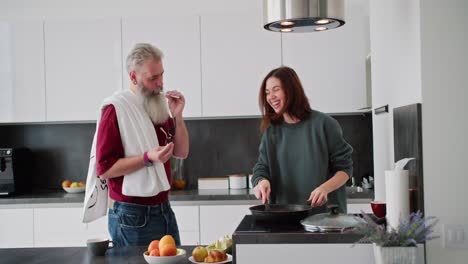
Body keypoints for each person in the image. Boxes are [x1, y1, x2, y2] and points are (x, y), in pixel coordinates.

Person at [94, 43, 189, 246]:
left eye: (161, 75)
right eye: (152, 78)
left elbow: (181, 152)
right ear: (133, 77)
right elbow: (104, 169)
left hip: (164, 209)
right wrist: (147, 158)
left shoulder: (157, 105)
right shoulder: (116, 109)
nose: (160, 83)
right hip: (132, 215)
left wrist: (178, 117)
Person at [251, 66, 353, 214]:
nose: (270, 97)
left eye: (276, 89)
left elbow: (345, 170)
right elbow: (261, 167)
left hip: (324, 217)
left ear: (291, 90)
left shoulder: (324, 124)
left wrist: (324, 189)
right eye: (267, 92)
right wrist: (262, 181)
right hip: (283, 216)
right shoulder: (272, 131)